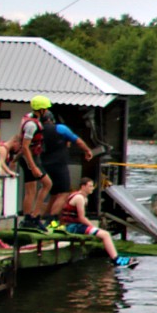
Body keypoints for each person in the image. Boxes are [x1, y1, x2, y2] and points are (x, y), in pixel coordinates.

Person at [60, 177, 138, 267]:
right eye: (90, 186)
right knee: (105, 235)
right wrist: (93, 227)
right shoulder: (79, 198)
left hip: (75, 225)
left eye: (92, 186)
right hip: (72, 227)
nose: (92, 188)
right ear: (83, 186)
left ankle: (115, 258)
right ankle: (116, 260)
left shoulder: (82, 197)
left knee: (103, 234)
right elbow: (81, 218)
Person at [40, 111, 93, 221]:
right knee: (64, 193)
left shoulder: (38, 130)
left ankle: (43, 218)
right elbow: (78, 141)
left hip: (43, 164)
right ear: (52, 120)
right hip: (59, 164)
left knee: (54, 194)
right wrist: (87, 150)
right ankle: (52, 220)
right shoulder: (60, 129)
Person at [18, 95, 52, 229]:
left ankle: (29, 217)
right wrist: (33, 166)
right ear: (41, 110)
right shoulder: (32, 125)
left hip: (30, 158)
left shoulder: (28, 117)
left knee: (31, 189)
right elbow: (25, 145)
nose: (47, 112)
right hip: (30, 159)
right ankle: (33, 216)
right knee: (47, 184)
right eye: (46, 109)